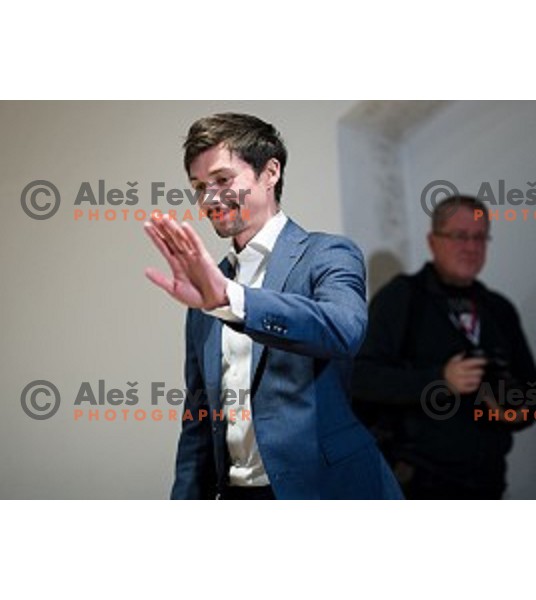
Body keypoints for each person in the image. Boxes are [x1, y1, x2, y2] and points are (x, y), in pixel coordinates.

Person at [144, 112, 403, 499]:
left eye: (222, 180)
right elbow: (198, 420)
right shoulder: (206, 284)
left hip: (329, 490)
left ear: (270, 172)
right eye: (199, 186)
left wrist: (232, 300)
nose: (209, 198)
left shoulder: (327, 253)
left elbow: (344, 330)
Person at [353, 195, 536, 499]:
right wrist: (440, 379)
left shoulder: (499, 309)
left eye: (479, 237)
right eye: (460, 236)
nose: (471, 247)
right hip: (416, 485)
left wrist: (510, 411)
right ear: (433, 241)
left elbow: (530, 394)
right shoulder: (401, 299)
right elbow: (359, 379)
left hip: (488, 483)